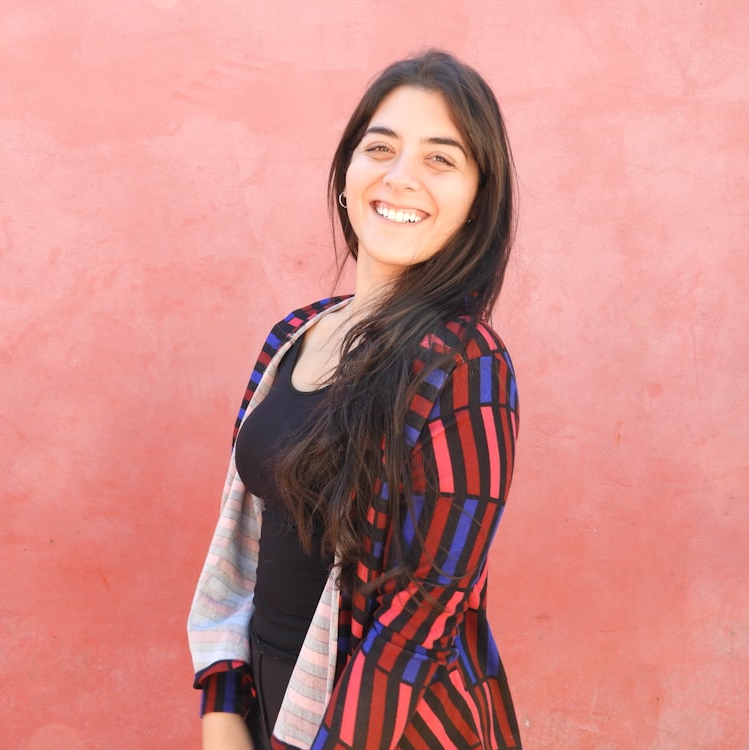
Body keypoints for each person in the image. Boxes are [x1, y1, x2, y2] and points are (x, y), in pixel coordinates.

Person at [188, 49, 521, 750]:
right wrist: (223, 712)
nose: (401, 177)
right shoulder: (294, 333)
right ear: (345, 174)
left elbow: (420, 621)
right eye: (381, 147)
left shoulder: (465, 365)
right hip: (268, 700)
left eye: (441, 159)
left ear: (475, 202)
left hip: (386, 729)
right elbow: (242, 542)